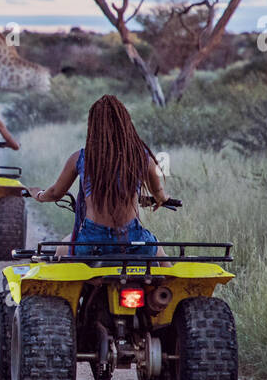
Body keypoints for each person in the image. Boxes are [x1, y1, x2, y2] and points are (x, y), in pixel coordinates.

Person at [31, 94, 169, 259]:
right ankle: (165, 286)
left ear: (93, 127)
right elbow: (159, 194)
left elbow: (54, 193)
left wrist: (39, 195)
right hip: (134, 242)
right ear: (125, 125)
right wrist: (161, 198)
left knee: (61, 252)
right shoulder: (142, 158)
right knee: (164, 262)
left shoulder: (81, 158)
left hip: (91, 244)